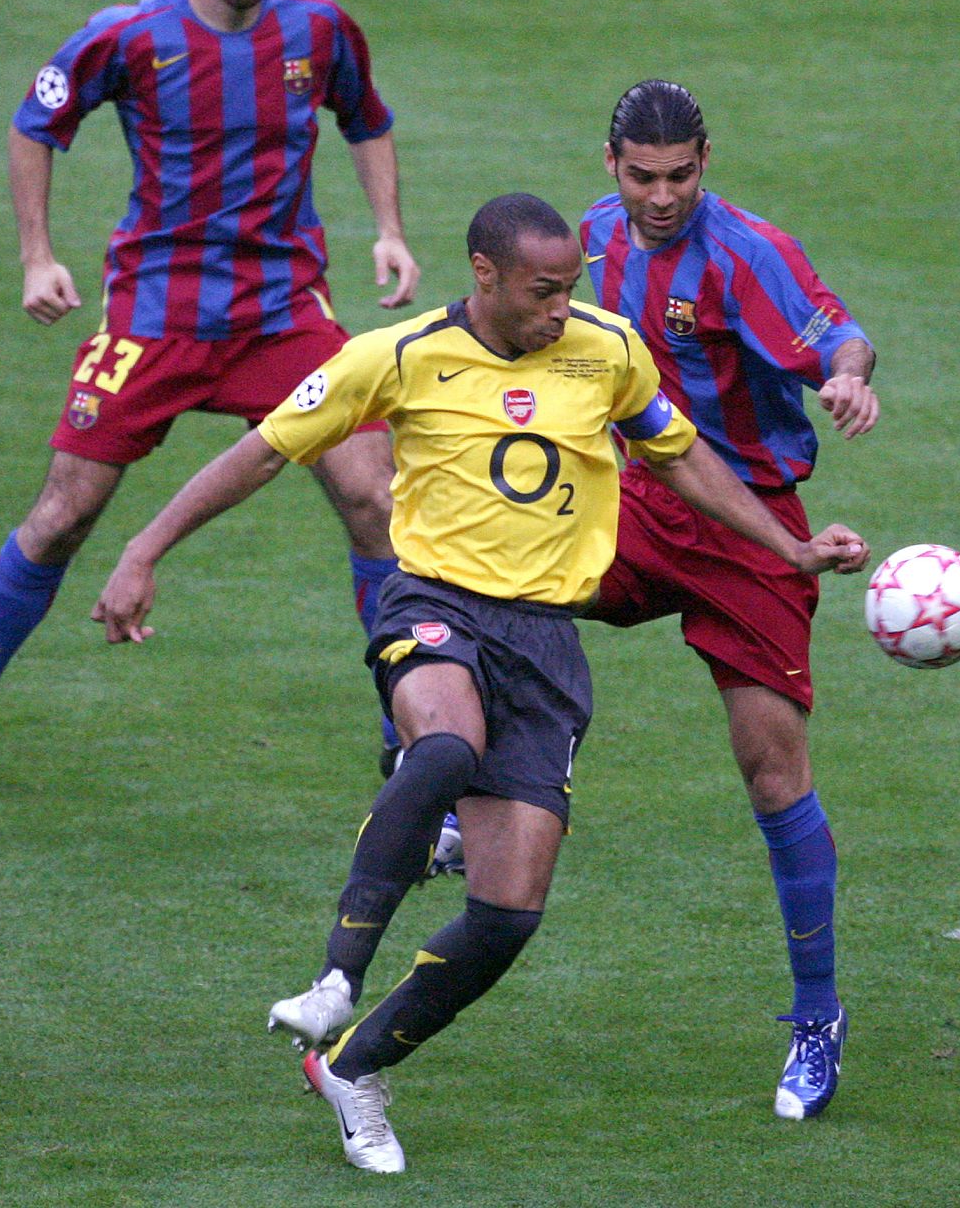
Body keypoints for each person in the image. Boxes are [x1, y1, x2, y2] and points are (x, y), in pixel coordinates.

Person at [92, 193, 869, 1172]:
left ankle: (353, 1064)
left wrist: (787, 547)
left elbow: (684, 460)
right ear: (486, 275)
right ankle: (337, 972)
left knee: (506, 915)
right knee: (446, 742)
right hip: (436, 603)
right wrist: (144, 547)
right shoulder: (400, 355)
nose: (559, 309)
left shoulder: (607, 350)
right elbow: (260, 451)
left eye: (571, 289)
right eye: (543, 291)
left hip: (544, 645)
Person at [0, 0, 419, 794]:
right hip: (155, 316)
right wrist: (36, 256)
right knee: (62, 516)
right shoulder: (127, 37)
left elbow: (364, 120)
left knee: (374, 500)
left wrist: (388, 232)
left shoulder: (318, 25)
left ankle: (407, 740)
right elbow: (33, 126)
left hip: (282, 316)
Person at [580, 80, 880, 1120]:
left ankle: (815, 1019)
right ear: (611, 162)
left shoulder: (750, 253)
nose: (660, 197)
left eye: (680, 175)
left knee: (770, 767)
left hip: (753, 524)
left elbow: (837, 330)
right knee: (493, 571)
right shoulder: (584, 244)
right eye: (641, 176)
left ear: (705, 159)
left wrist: (847, 376)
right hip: (633, 498)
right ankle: (464, 774)